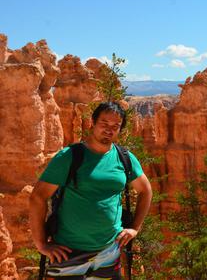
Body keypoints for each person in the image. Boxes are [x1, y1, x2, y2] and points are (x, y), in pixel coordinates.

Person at [29, 102, 153, 279]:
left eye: (115, 126)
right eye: (104, 123)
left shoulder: (124, 158)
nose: (109, 129)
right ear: (92, 123)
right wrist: (41, 244)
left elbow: (146, 191)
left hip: (110, 251)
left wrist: (135, 228)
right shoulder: (69, 156)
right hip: (68, 252)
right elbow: (37, 197)